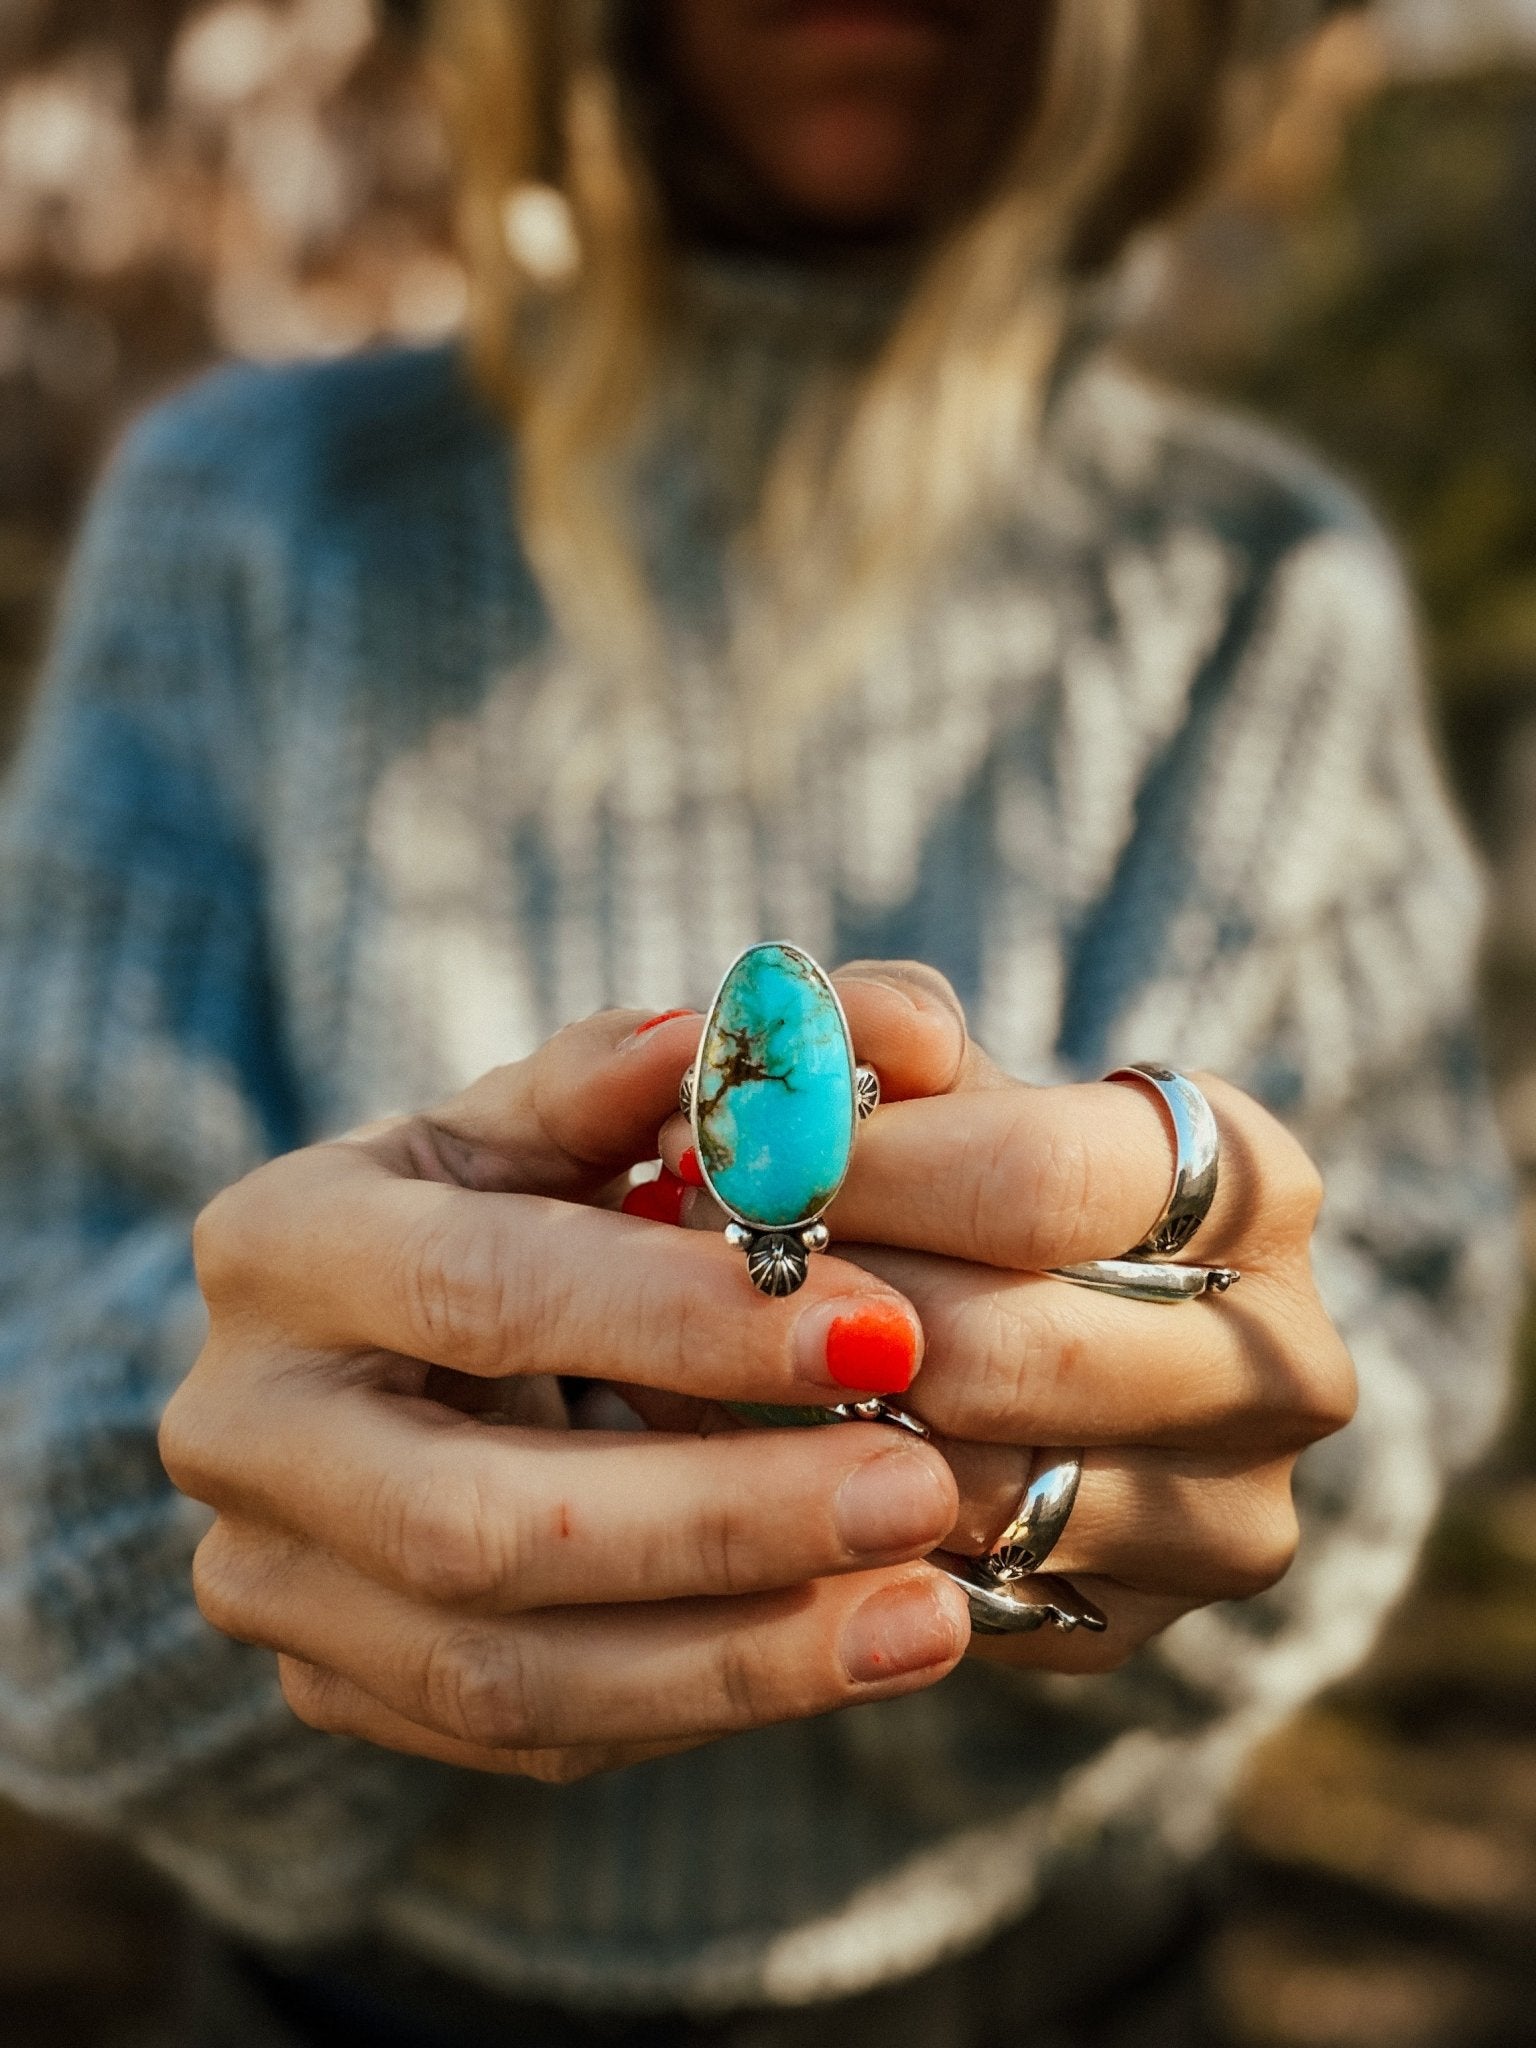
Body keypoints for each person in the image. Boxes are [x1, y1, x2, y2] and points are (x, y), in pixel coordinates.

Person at [0, 2, 1519, 2043]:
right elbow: (32, 1318)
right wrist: (227, 1508)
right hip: (356, 2002)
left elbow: (1392, 1322)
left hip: (1063, 1978)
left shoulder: (1258, 595)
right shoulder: (253, 523)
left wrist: (1209, 1476)